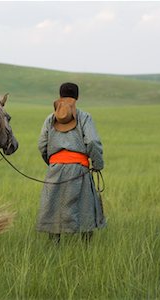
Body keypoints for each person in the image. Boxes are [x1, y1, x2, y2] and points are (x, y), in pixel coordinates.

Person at [36, 82, 106, 244]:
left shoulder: (49, 119)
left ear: (60, 96)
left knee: (53, 209)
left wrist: (53, 162)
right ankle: (86, 249)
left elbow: (42, 144)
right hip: (79, 169)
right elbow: (93, 142)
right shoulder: (84, 117)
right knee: (85, 208)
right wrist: (98, 164)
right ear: (77, 97)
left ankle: (54, 247)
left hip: (55, 169)